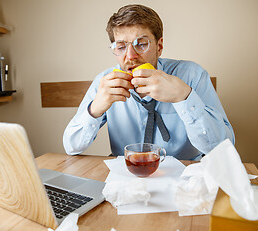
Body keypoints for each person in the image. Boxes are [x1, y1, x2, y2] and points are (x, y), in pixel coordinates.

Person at [63, 4, 234, 160]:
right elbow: (71, 147)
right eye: (121, 47)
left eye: (141, 44)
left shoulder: (192, 75)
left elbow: (224, 148)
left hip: (185, 177)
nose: (130, 56)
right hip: (125, 177)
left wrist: (183, 97)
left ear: (159, 46)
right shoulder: (106, 82)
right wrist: (95, 109)